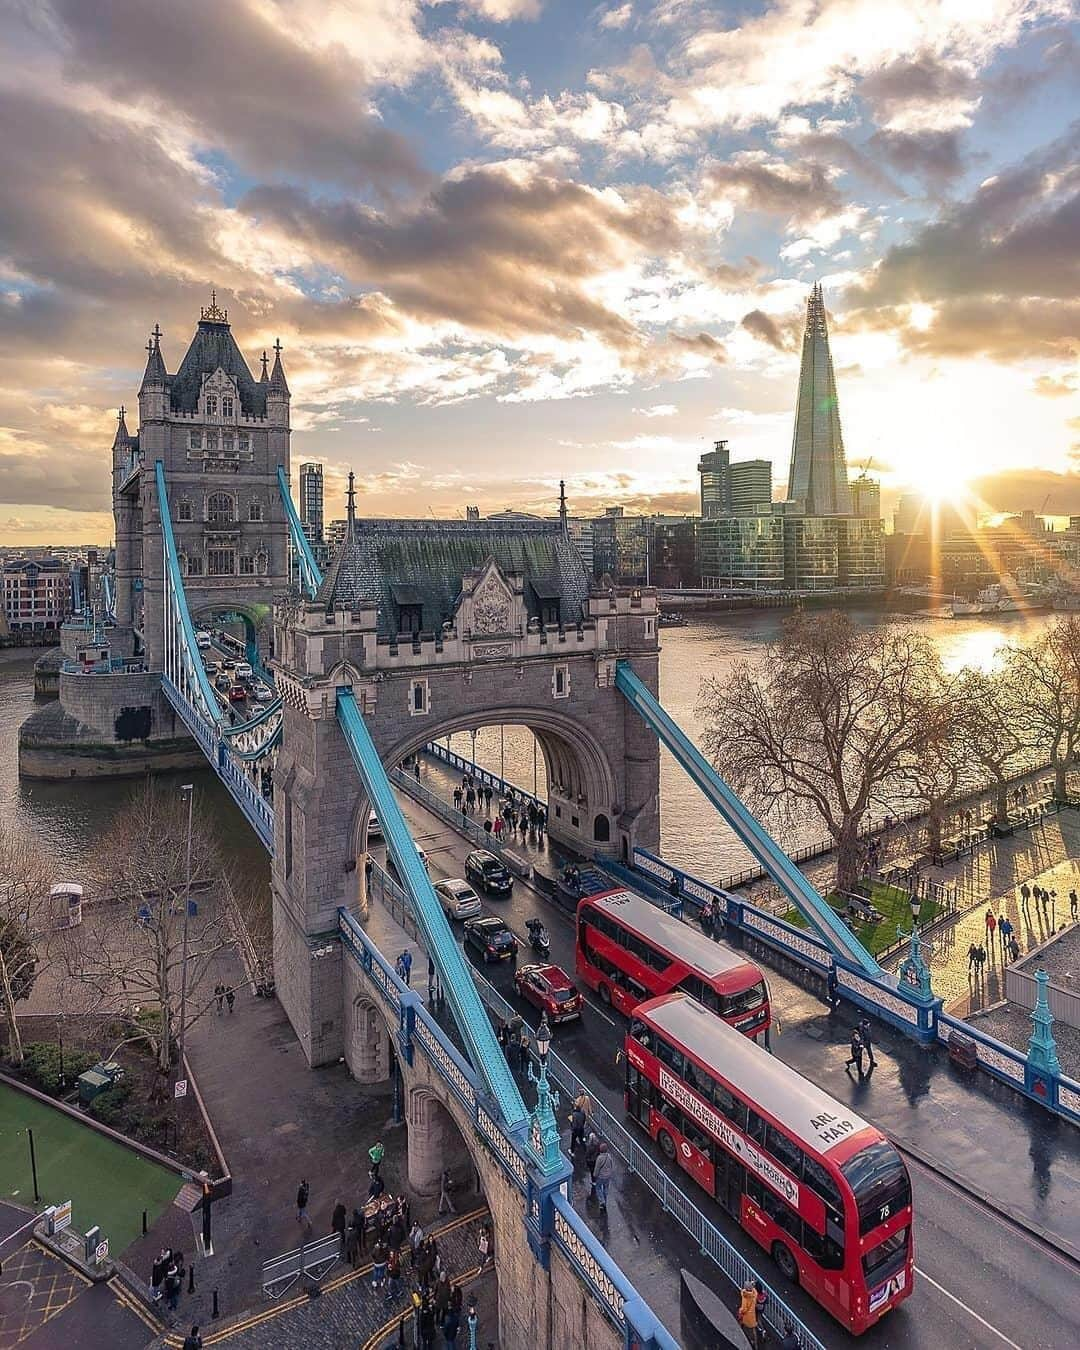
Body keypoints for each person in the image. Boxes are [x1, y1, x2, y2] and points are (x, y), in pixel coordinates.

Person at [737, 1279, 759, 1348]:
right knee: (753, 1329)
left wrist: (740, 1311)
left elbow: (744, 1309)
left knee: (746, 1326)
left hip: (746, 1316)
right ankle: (756, 1344)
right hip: (752, 1314)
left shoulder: (745, 1297)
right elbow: (754, 1289)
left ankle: (742, 1334)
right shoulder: (754, 1294)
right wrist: (752, 1284)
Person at [592, 1140, 614, 1209]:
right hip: (608, 1176)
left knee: (598, 1188)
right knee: (605, 1188)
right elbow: (611, 1165)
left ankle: (602, 1201)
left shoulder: (599, 1158)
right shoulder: (609, 1156)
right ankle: (605, 1200)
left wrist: (594, 1175)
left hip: (601, 1177)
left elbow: (597, 1168)